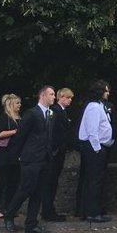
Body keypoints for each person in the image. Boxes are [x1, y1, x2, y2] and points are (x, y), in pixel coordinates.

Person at [3, 85, 56, 233]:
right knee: (26, 189)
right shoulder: (31, 113)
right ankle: (9, 214)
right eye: (51, 94)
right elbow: (21, 135)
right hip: (31, 158)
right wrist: (18, 155)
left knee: (38, 192)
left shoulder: (51, 114)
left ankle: (31, 224)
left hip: (45, 158)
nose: (54, 97)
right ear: (42, 96)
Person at [77, 80, 113, 223]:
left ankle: (95, 211)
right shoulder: (93, 107)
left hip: (98, 147)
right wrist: (97, 149)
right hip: (93, 148)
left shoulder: (99, 106)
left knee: (96, 181)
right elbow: (92, 131)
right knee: (93, 181)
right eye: (106, 90)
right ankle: (92, 212)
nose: (108, 93)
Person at [41, 88, 74, 222]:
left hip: (57, 151)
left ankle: (49, 210)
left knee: (52, 182)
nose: (70, 100)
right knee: (50, 182)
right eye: (68, 97)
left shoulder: (60, 112)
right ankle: (48, 211)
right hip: (55, 153)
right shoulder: (56, 111)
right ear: (62, 97)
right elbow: (54, 133)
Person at [0, 94, 22, 219]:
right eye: (17, 103)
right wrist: (15, 132)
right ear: (11, 105)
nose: (19, 105)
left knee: (13, 183)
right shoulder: (5, 117)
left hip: (16, 155)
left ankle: (9, 208)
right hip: (5, 155)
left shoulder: (19, 117)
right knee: (2, 182)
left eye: (19, 103)